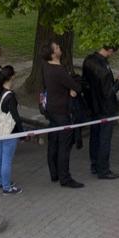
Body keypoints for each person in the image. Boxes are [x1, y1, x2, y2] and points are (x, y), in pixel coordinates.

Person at [40, 39, 82, 186]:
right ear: (53, 54)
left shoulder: (46, 67)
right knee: (64, 145)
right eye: (57, 47)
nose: (60, 48)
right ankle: (65, 177)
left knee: (53, 141)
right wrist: (73, 90)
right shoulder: (59, 71)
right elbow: (76, 87)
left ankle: (54, 173)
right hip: (62, 111)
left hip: (51, 109)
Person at [81, 42, 119, 178]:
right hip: (105, 108)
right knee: (104, 139)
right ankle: (103, 170)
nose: (112, 55)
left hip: (93, 106)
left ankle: (94, 165)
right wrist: (118, 83)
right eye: (112, 52)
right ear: (109, 49)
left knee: (95, 136)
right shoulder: (103, 69)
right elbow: (108, 93)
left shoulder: (88, 61)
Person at [0, 65, 24, 189]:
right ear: (11, 77)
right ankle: (6, 186)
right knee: (7, 159)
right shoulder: (10, 96)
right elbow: (15, 117)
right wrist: (22, 133)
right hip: (8, 131)